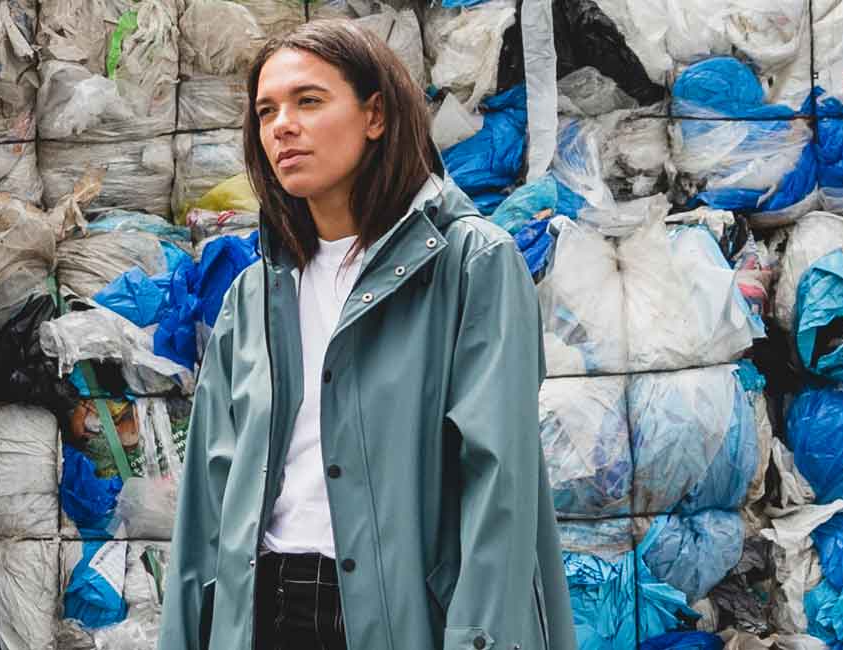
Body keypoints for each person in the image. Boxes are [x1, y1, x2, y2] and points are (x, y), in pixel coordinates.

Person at [158, 19, 575, 650]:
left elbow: (500, 485)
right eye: (266, 111)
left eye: (308, 101)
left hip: (399, 616)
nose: (282, 127)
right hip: (260, 612)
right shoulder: (253, 295)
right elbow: (206, 497)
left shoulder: (470, 266)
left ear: (375, 114)